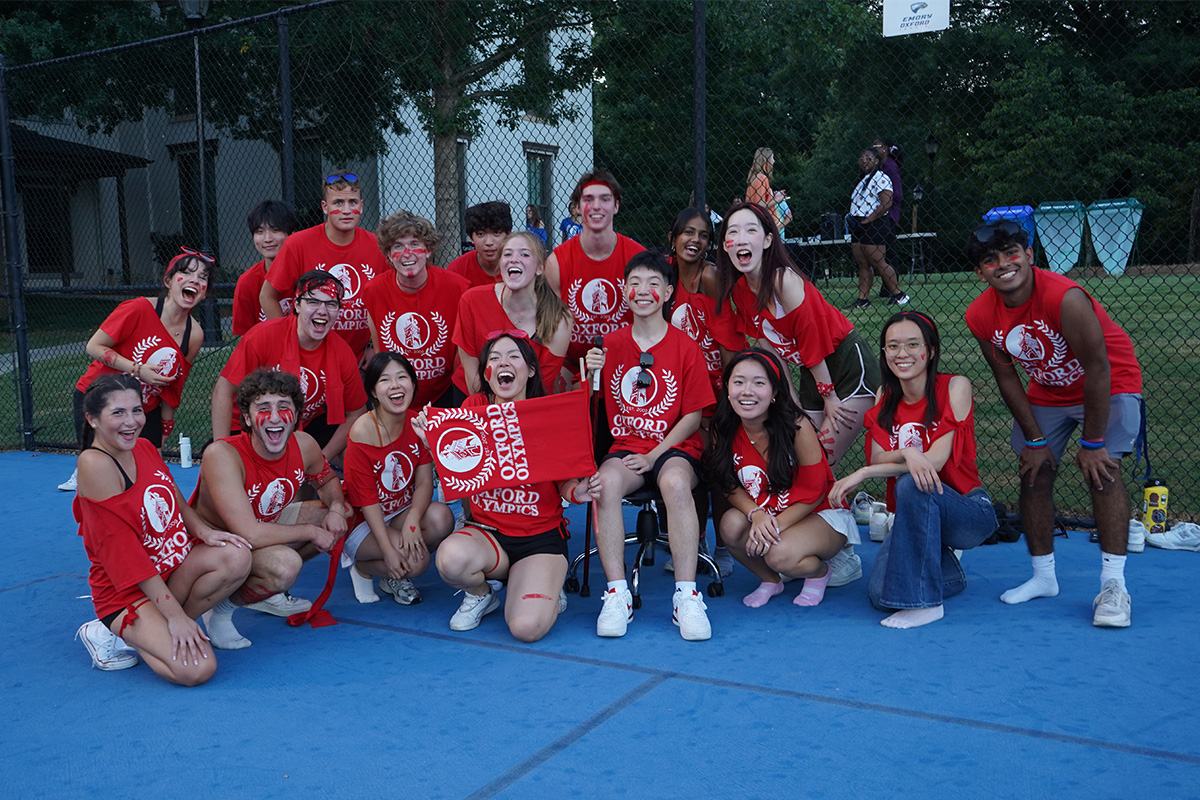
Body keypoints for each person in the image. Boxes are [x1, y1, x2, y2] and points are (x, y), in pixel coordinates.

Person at [964, 220, 1143, 628]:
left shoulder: (1066, 298)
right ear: (980, 273)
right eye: (991, 260)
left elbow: (1098, 370)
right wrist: (1035, 438)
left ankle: (1114, 587)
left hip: (1109, 382)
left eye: (1012, 253)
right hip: (1049, 388)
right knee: (1033, 469)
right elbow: (1006, 376)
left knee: (1103, 473)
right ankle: (1043, 577)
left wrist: (1094, 443)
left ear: (1029, 255)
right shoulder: (980, 314)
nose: (1003, 265)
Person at [413, 333, 594, 641]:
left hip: (539, 539)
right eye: (494, 358)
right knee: (450, 558)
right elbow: (459, 467)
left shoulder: (544, 413)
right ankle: (483, 594)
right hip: (489, 534)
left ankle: (544, 582)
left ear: (531, 370)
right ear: (485, 371)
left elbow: (565, 482)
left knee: (526, 628)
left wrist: (578, 492)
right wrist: (432, 443)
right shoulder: (474, 407)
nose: (502, 363)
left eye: (513, 356)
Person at [74, 375, 252, 684]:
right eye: (118, 413)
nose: (131, 422)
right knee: (198, 669)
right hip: (126, 591)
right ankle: (109, 631)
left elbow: (173, 495)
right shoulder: (95, 464)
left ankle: (160, 629)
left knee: (235, 556)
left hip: (167, 569)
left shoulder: (143, 447)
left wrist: (204, 531)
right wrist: (176, 617)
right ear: (92, 419)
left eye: (137, 410)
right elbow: (128, 557)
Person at [829, 312, 997, 628]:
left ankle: (927, 604)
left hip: (968, 511)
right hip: (914, 516)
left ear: (930, 351)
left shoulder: (954, 386)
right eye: (892, 346)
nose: (902, 354)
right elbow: (880, 459)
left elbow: (933, 463)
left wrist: (864, 473)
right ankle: (945, 571)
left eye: (912, 344)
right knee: (881, 595)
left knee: (911, 483)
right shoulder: (885, 397)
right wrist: (906, 450)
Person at [584, 251, 715, 641]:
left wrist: (654, 455)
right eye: (635, 283)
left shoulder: (684, 346)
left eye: (654, 283)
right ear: (624, 290)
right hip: (625, 445)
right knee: (604, 484)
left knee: (674, 483)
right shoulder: (607, 346)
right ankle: (617, 593)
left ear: (669, 291)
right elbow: (587, 409)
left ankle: (686, 595)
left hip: (673, 447)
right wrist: (589, 374)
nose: (643, 291)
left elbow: (693, 417)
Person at [193, 369, 351, 649]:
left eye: (284, 407)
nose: (275, 417)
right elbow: (248, 533)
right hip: (214, 545)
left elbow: (326, 480)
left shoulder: (304, 445)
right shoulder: (223, 454)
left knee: (332, 518)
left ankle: (263, 591)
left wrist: (337, 507)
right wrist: (311, 531)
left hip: (258, 530)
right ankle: (219, 609)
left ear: (296, 415)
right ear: (247, 418)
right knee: (285, 565)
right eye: (263, 408)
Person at [715, 201, 880, 469]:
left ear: (768, 240)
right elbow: (770, 352)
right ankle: (830, 507)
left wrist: (829, 397)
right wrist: (790, 401)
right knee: (800, 454)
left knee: (822, 460)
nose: (740, 239)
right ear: (724, 245)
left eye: (750, 231)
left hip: (846, 363)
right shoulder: (741, 293)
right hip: (812, 371)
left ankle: (829, 508)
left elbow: (811, 341)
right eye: (732, 233)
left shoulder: (784, 282)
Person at [704, 349, 860, 608]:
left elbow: (816, 491)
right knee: (730, 525)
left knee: (779, 554)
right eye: (739, 381)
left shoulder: (796, 427)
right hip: (769, 510)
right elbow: (727, 483)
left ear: (775, 392)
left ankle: (820, 572)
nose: (747, 391)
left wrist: (772, 526)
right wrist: (756, 514)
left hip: (820, 511)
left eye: (759, 383)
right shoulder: (724, 426)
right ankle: (770, 581)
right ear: (728, 387)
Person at [60, 247, 211, 492]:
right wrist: (137, 369)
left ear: (204, 293)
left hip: (144, 407)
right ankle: (86, 475)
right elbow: (94, 346)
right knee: (105, 473)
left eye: (203, 277)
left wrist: (164, 429)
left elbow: (174, 387)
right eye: (186, 273)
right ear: (168, 281)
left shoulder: (194, 334)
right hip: (100, 398)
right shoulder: (138, 309)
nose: (195, 280)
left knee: (152, 474)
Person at [665, 207, 747, 577]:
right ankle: (692, 542)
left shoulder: (710, 277)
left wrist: (731, 392)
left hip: (715, 382)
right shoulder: (663, 276)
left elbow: (728, 339)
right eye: (688, 233)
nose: (694, 240)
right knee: (691, 459)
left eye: (702, 235)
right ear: (674, 238)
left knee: (717, 461)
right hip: (679, 386)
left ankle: (721, 548)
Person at [213, 270, 369, 462]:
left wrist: (320, 459)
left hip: (304, 425)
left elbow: (357, 413)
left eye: (331, 304)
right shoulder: (264, 336)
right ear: (296, 304)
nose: (322, 310)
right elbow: (223, 390)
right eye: (313, 302)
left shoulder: (341, 351)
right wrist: (221, 448)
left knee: (356, 453)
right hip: (250, 425)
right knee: (222, 470)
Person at [341, 352, 454, 605]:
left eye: (402, 377)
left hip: (398, 510)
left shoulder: (417, 422)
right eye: (385, 380)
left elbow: (425, 481)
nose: (395, 385)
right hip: (363, 520)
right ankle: (365, 568)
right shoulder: (363, 430)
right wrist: (389, 550)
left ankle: (393, 564)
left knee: (443, 518)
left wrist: (413, 519)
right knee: (417, 562)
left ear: (413, 385)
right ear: (373, 391)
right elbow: (367, 500)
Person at [261, 172, 388, 366]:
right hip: (309, 356)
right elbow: (267, 296)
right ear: (325, 207)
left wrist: (374, 347)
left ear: (361, 207)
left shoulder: (377, 246)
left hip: (358, 359)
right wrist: (289, 340)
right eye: (338, 203)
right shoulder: (299, 244)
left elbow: (385, 304)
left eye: (352, 202)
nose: (346, 210)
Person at [363, 209, 470, 411]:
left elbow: (462, 354)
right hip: (396, 394)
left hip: (444, 391)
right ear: (388, 254)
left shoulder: (457, 287)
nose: (407, 253)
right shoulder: (374, 291)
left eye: (414, 244)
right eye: (398, 246)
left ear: (428, 250)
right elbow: (380, 351)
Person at [544, 169, 646, 377]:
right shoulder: (557, 261)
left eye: (605, 199)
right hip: (572, 364)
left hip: (627, 362)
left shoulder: (637, 257)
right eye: (589, 199)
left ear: (616, 206)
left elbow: (651, 324)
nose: (596, 206)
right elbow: (549, 326)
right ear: (578, 208)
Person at [453, 231, 572, 396]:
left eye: (524, 254)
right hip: (476, 398)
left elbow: (542, 383)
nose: (514, 259)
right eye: (507, 254)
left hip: (529, 402)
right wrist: (489, 414)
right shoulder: (471, 301)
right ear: (500, 264)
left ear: (539, 268)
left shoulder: (559, 317)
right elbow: (472, 375)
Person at [847, 147, 908, 308]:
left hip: (874, 224)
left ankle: (898, 294)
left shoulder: (882, 177)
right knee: (862, 263)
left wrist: (869, 220)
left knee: (878, 261)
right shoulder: (863, 180)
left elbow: (886, 203)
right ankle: (863, 299)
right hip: (859, 225)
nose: (863, 161)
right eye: (862, 158)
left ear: (876, 160)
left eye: (868, 158)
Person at [232, 200, 300, 336]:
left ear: (292, 234)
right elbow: (245, 337)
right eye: (260, 231)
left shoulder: (306, 272)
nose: (267, 239)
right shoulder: (247, 281)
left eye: (275, 230)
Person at [447, 201, 513, 289]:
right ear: (471, 237)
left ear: (508, 234)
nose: (489, 242)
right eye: (481, 234)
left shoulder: (520, 266)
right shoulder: (457, 270)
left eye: (496, 233)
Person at [873, 137, 906, 300]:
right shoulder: (878, 167)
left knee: (889, 253)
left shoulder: (890, 167)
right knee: (882, 253)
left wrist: (884, 199)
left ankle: (892, 288)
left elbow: (898, 194)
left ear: (885, 149)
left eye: (876, 146)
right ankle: (887, 287)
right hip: (879, 215)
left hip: (889, 215)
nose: (874, 148)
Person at [744, 147, 777, 219]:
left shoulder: (753, 178)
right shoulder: (762, 178)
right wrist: (777, 200)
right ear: (766, 160)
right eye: (772, 158)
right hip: (763, 220)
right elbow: (760, 205)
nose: (774, 161)